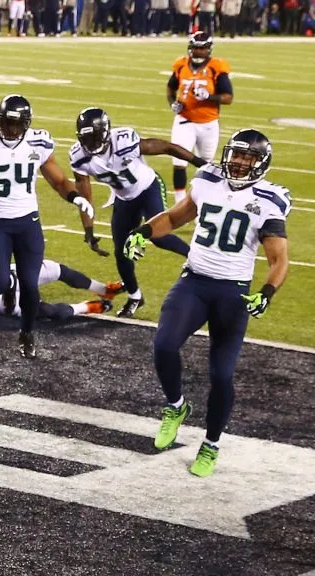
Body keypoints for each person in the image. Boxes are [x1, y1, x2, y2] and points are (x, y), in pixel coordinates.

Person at [123, 129, 290, 478]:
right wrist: (142, 231)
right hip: (195, 282)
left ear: (261, 163)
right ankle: (176, 406)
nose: (240, 162)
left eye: (249, 158)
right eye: (237, 154)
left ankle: (211, 444)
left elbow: (279, 260)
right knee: (164, 345)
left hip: (233, 292)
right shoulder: (208, 179)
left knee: (222, 375)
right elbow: (174, 217)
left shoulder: (270, 201)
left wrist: (268, 292)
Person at [0, 94, 98, 358]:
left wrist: (76, 197)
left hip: (28, 224)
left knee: (31, 287)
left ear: (26, 123)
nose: (11, 130)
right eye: (6, 124)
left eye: (16, 125)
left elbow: (58, 181)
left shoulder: (39, 142)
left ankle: (27, 333)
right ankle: (9, 286)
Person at [70, 107, 205, 317]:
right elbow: (85, 197)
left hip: (148, 187)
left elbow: (167, 147)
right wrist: (88, 230)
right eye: (87, 138)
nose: (91, 142)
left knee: (159, 237)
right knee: (121, 252)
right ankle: (135, 296)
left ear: (105, 132)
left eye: (95, 136)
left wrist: (200, 163)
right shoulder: (79, 157)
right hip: (124, 199)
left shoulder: (124, 140)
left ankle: (198, 259)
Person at [166, 31, 232, 204]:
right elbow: (170, 88)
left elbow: (228, 97)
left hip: (208, 123)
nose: (197, 52)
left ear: (208, 50)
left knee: (206, 166)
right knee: (179, 161)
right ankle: (180, 202)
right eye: (195, 48)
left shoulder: (216, 67)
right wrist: (173, 103)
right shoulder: (181, 65)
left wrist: (209, 97)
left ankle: (199, 202)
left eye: (201, 49)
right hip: (184, 120)